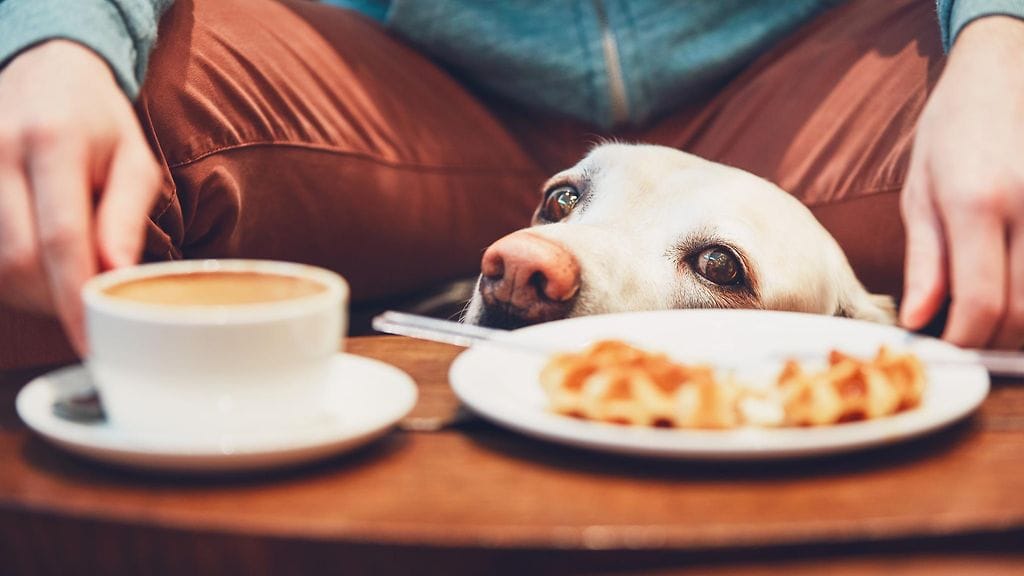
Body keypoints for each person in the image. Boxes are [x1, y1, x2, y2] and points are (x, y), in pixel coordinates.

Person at [0, 0, 1021, 370]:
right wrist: (52, 36)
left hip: (814, 73)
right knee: (71, 151)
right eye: (563, 210)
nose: (533, 260)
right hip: (408, 85)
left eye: (715, 265)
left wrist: (1003, 33)